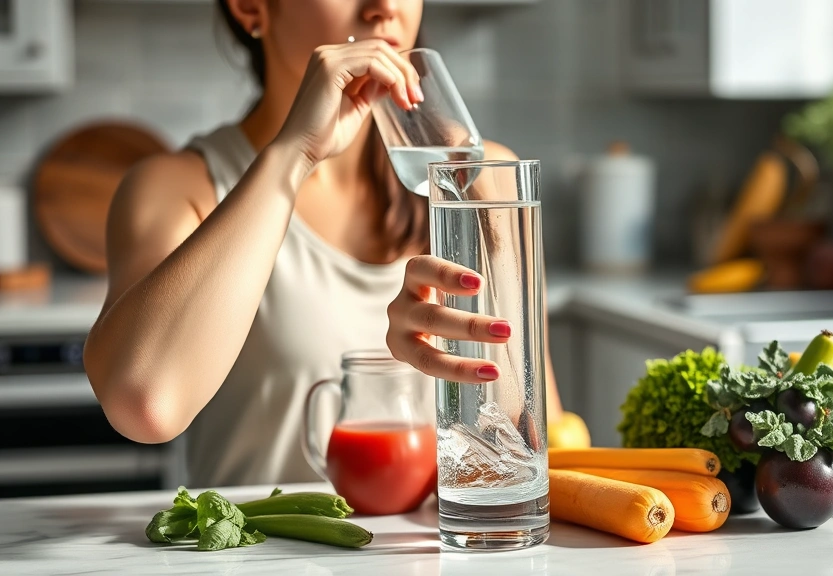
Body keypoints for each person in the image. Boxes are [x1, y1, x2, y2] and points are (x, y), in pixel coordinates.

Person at [82, 0, 564, 487]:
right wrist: (295, 153)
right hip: (259, 559)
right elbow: (145, 405)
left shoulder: (486, 178)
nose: (385, 7)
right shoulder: (174, 188)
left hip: (429, 561)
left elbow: (536, 442)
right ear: (251, 8)